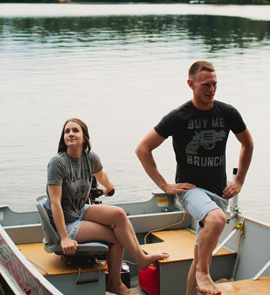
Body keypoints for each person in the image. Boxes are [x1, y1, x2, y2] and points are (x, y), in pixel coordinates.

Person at [135, 60, 254, 295]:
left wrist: (239, 180)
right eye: (205, 85)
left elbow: (247, 143)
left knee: (201, 256)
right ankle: (203, 273)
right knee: (217, 220)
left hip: (218, 194)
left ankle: (199, 276)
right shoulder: (179, 116)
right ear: (191, 84)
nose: (211, 90)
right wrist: (164, 185)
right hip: (191, 191)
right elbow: (143, 149)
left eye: (214, 84)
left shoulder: (227, 113)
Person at [46, 118, 169, 295]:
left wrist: (109, 187)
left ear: (84, 137)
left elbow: (101, 174)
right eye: (67, 131)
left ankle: (140, 260)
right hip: (65, 223)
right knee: (116, 236)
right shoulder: (58, 163)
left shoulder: (90, 158)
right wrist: (64, 238)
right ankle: (115, 283)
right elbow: (54, 203)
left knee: (118, 215)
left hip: (79, 210)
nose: (70, 134)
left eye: (75, 130)